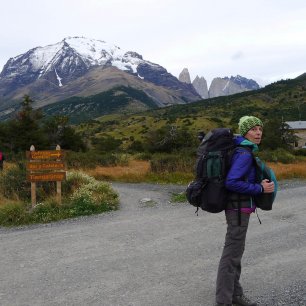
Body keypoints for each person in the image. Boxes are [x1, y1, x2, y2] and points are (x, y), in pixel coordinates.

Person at [215, 116, 275, 306]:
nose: (258, 133)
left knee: (235, 252)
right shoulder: (244, 153)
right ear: (244, 132)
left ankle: (235, 295)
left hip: (239, 207)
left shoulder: (242, 150)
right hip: (238, 209)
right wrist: (259, 189)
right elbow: (232, 182)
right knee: (231, 254)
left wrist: (257, 183)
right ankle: (224, 300)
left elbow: (240, 179)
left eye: (260, 129)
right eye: (254, 129)